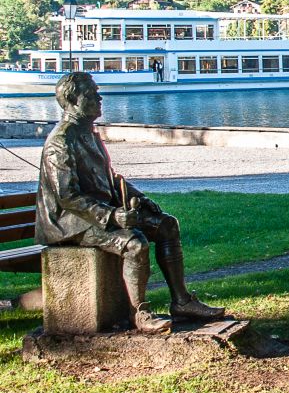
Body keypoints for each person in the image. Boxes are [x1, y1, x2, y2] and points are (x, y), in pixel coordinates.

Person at [36, 72, 225, 334]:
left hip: (95, 214)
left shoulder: (89, 134)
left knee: (167, 225)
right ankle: (140, 312)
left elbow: (111, 178)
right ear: (72, 101)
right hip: (70, 223)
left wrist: (139, 197)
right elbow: (67, 196)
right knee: (135, 244)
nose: (99, 99)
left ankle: (182, 302)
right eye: (91, 95)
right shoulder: (61, 142)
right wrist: (113, 216)